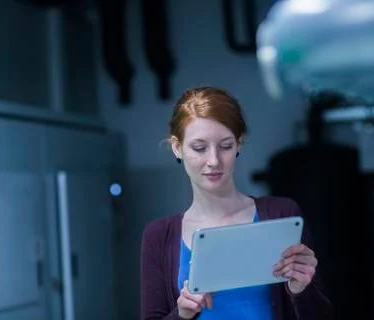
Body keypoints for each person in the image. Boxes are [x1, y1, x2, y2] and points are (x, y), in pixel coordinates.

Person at [140, 86, 333, 319]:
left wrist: (301, 290)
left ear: (239, 144)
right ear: (177, 148)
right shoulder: (159, 235)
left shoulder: (282, 214)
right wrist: (181, 314)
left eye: (226, 146)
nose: (213, 160)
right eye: (199, 148)